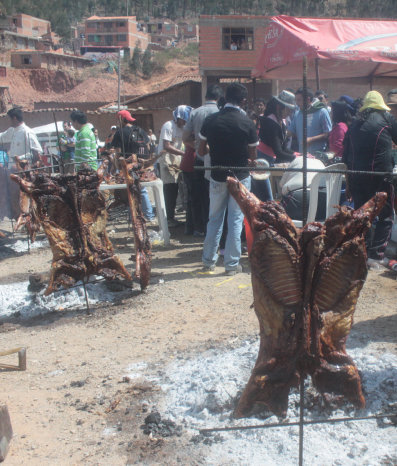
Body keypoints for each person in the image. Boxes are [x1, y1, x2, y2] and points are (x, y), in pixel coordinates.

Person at [198, 82, 258, 275]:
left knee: (214, 218)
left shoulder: (211, 120)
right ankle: (231, 265)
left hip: (216, 175)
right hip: (239, 177)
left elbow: (201, 150)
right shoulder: (247, 123)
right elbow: (253, 157)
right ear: (243, 100)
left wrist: (213, 149)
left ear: (225, 97)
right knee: (235, 220)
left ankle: (208, 261)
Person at [343, 90, 397, 263]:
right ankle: (376, 256)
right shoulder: (387, 119)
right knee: (386, 216)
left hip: (357, 177)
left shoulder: (353, 125)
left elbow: (346, 157)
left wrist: (349, 183)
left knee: (362, 216)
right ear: (381, 106)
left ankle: (362, 253)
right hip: (380, 177)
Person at [182, 84, 223, 235]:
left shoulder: (195, 112)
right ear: (219, 98)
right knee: (217, 198)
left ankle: (203, 229)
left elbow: (185, 137)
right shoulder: (220, 112)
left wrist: (198, 146)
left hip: (200, 159)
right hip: (217, 160)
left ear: (206, 97)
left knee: (200, 196)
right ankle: (217, 230)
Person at [111, 110, 155, 222]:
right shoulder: (140, 130)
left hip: (128, 166)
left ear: (121, 119)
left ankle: (134, 217)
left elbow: (118, 152)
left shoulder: (119, 132)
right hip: (141, 164)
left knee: (130, 192)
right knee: (142, 190)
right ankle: (149, 215)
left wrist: (117, 166)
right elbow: (148, 147)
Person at [256, 90, 297, 201]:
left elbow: (283, 148)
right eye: (288, 109)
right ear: (280, 107)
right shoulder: (271, 123)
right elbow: (279, 152)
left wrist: (296, 154)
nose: (289, 113)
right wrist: (296, 158)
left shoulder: (280, 121)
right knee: (267, 197)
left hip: (270, 159)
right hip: (263, 160)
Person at [158, 105, 192, 227]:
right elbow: (167, 146)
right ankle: (168, 218)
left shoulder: (183, 129)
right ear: (178, 118)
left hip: (177, 160)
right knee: (169, 190)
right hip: (167, 160)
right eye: (183, 120)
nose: (184, 122)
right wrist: (184, 153)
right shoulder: (168, 126)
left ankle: (172, 217)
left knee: (178, 189)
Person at [288, 87, 332, 154]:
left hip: (318, 155)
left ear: (308, 100)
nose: (296, 103)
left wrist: (311, 139)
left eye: (299, 100)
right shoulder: (298, 114)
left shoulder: (322, 112)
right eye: (296, 100)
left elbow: (328, 133)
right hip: (302, 155)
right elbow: (290, 131)